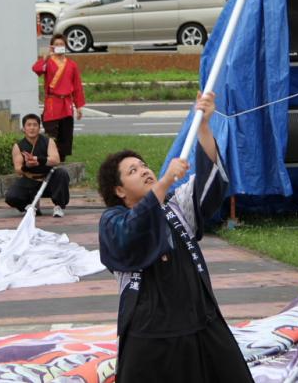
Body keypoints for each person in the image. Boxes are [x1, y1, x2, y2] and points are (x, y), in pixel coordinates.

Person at [97, 92, 253, 383]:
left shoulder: (175, 204)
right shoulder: (112, 221)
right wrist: (166, 180)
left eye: (144, 166)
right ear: (119, 191)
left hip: (201, 319)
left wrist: (204, 127)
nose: (144, 171)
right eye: (133, 171)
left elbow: (211, 187)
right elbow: (131, 237)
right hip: (151, 333)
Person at [4, 113, 70, 217]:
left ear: (39, 128)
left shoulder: (48, 141)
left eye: (35, 125)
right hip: (30, 180)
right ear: (24, 129)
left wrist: (38, 159)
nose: (32, 128)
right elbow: (18, 169)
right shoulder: (18, 146)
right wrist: (27, 166)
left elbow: (56, 160)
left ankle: (59, 206)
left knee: (62, 173)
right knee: (11, 197)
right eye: (29, 125)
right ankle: (30, 207)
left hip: (48, 180)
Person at [32, 34, 85, 162]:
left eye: (62, 45)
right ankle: (51, 159)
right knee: (52, 134)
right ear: (52, 46)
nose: (59, 47)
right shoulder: (48, 62)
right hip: (52, 103)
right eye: (57, 45)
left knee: (65, 135)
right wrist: (45, 57)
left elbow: (77, 86)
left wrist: (78, 106)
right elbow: (36, 69)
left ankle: (62, 160)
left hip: (66, 103)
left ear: (65, 46)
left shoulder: (72, 65)